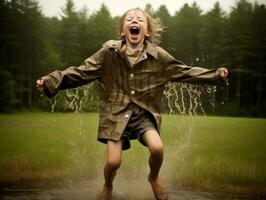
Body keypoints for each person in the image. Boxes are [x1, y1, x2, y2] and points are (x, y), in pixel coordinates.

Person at [36, 8, 228, 200]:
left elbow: (186, 72)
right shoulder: (108, 54)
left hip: (144, 114)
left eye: (139, 20)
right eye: (129, 19)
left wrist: (216, 75)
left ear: (147, 32)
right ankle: (108, 186)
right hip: (114, 115)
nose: (134, 21)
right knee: (113, 162)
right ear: (122, 30)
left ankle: (153, 179)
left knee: (157, 148)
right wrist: (50, 80)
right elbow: (81, 72)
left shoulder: (159, 57)